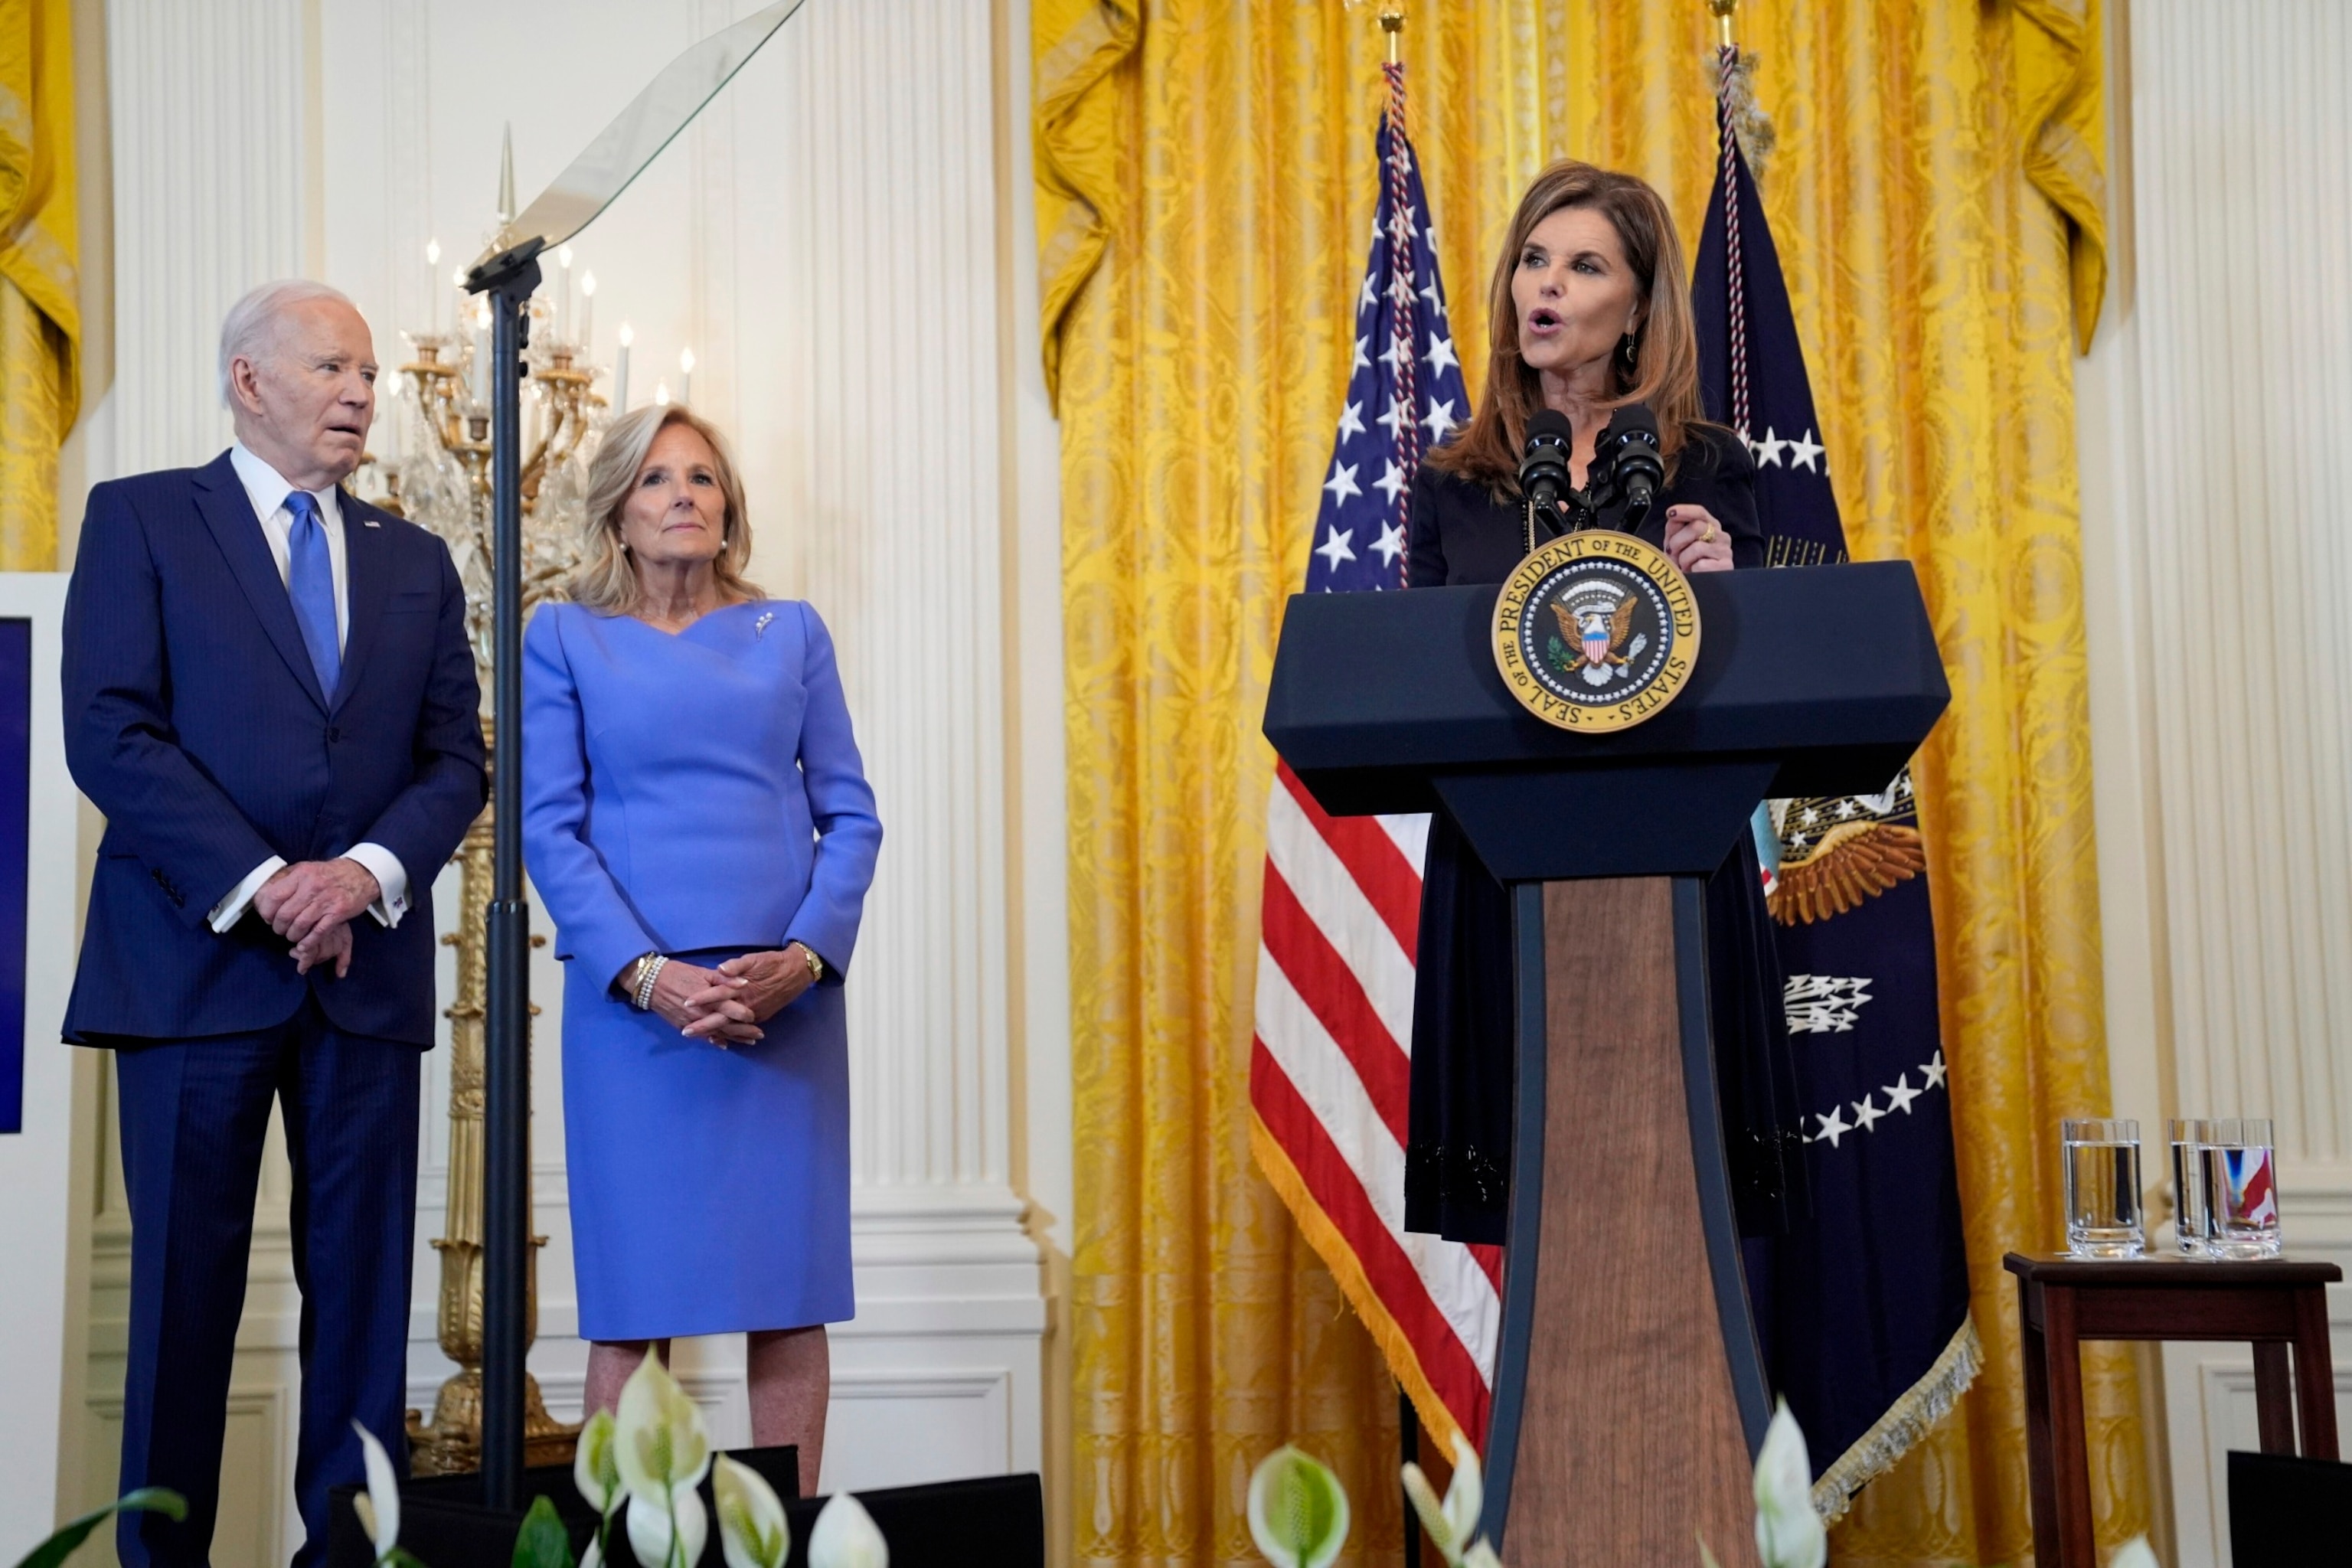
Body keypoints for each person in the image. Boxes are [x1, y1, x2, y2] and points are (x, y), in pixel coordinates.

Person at [61, 279, 485, 1566]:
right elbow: (111, 731)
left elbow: (455, 760)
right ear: (251, 381)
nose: (364, 393)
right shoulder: (140, 520)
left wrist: (357, 874)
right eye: (335, 369)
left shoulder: (416, 560)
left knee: (361, 1315)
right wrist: (266, 885)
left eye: (369, 374)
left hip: (364, 977)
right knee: (184, 1309)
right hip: (190, 971)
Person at [1403, 159, 1805, 1245]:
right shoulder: (1452, 481)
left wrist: (1728, 595)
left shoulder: (1706, 465)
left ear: (1636, 307)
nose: (1547, 286)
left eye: (1584, 266)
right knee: (1544, 1218)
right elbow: (1413, 677)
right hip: (1501, 871)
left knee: (1677, 1211)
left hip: (1676, 858)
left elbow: (1766, 691)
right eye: (1534, 260)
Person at [522, 403, 881, 1495]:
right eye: (656, 480)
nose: (684, 495)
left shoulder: (794, 633)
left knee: (787, 1295)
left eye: (704, 479)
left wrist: (805, 960)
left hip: (786, 1009)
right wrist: (647, 974)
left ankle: (790, 1542)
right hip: (637, 1018)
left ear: (729, 509)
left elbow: (852, 816)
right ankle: (635, 1550)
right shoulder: (562, 635)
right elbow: (549, 825)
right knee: (637, 1306)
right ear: (617, 512)